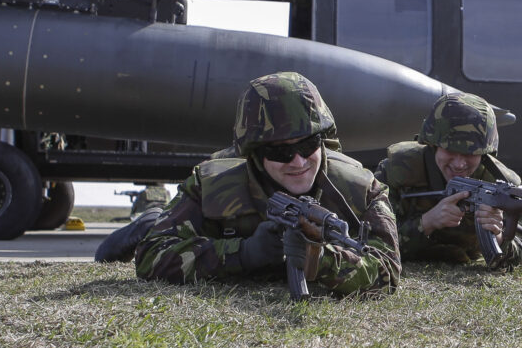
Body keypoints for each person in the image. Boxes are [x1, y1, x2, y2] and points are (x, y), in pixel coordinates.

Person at [122, 72, 400, 296]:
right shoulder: (212, 183)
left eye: (307, 145)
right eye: (279, 152)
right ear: (254, 152)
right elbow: (150, 257)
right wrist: (242, 254)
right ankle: (147, 219)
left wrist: (320, 259)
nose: (298, 161)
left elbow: (387, 272)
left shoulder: (361, 188)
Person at [375, 91, 522, 268]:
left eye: (470, 154)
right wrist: (426, 222)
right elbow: (372, 242)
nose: (459, 164)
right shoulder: (397, 170)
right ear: (432, 145)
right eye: (450, 151)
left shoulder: (498, 183)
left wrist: (498, 236)